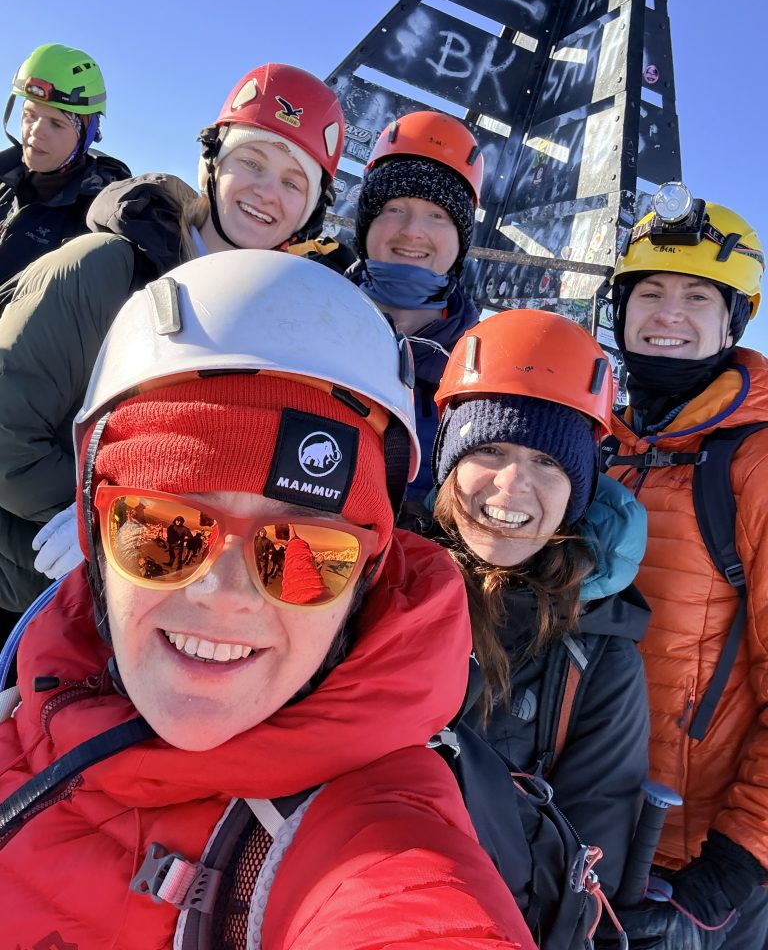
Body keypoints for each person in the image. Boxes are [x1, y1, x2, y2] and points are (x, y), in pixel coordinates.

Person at [0, 249, 534, 950]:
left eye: (306, 554)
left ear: (364, 584)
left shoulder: (375, 829)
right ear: (96, 540)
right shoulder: (28, 704)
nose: (225, 596)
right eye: (163, 531)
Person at [0, 63, 346, 621]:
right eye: (251, 162)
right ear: (212, 163)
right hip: (27, 595)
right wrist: (97, 511)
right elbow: (6, 433)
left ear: (309, 211)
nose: (266, 192)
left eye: (292, 181)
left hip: (147, 608)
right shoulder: (106, 269)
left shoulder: (279, 332)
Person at [420, 308, 650, 901]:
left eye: (548, 461)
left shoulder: (597, 657)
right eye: (491, 450)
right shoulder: (375, 584)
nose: (512, 485)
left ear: (579, 490)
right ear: (448, 463)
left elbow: (586, 865)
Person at [604, 184, 768, 948]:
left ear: (734, 321)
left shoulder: (754, 463)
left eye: (698, 296)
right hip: (577, 830)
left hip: (698, 873)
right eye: (651, 291)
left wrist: (734, 866)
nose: (669, 313)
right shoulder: (596, 441)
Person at [348, 109, 483, 500]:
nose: (413, 231)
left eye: (437, 215)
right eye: (394, 209)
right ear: (366, 225)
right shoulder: (303, 320)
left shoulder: (482, 373)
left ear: (461, 241)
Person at [0, 43, 130, 284]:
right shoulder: (5, 183)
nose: (36, 132)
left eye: (56, 124)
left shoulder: (97, 218)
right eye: (30, 115)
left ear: (86, 134)